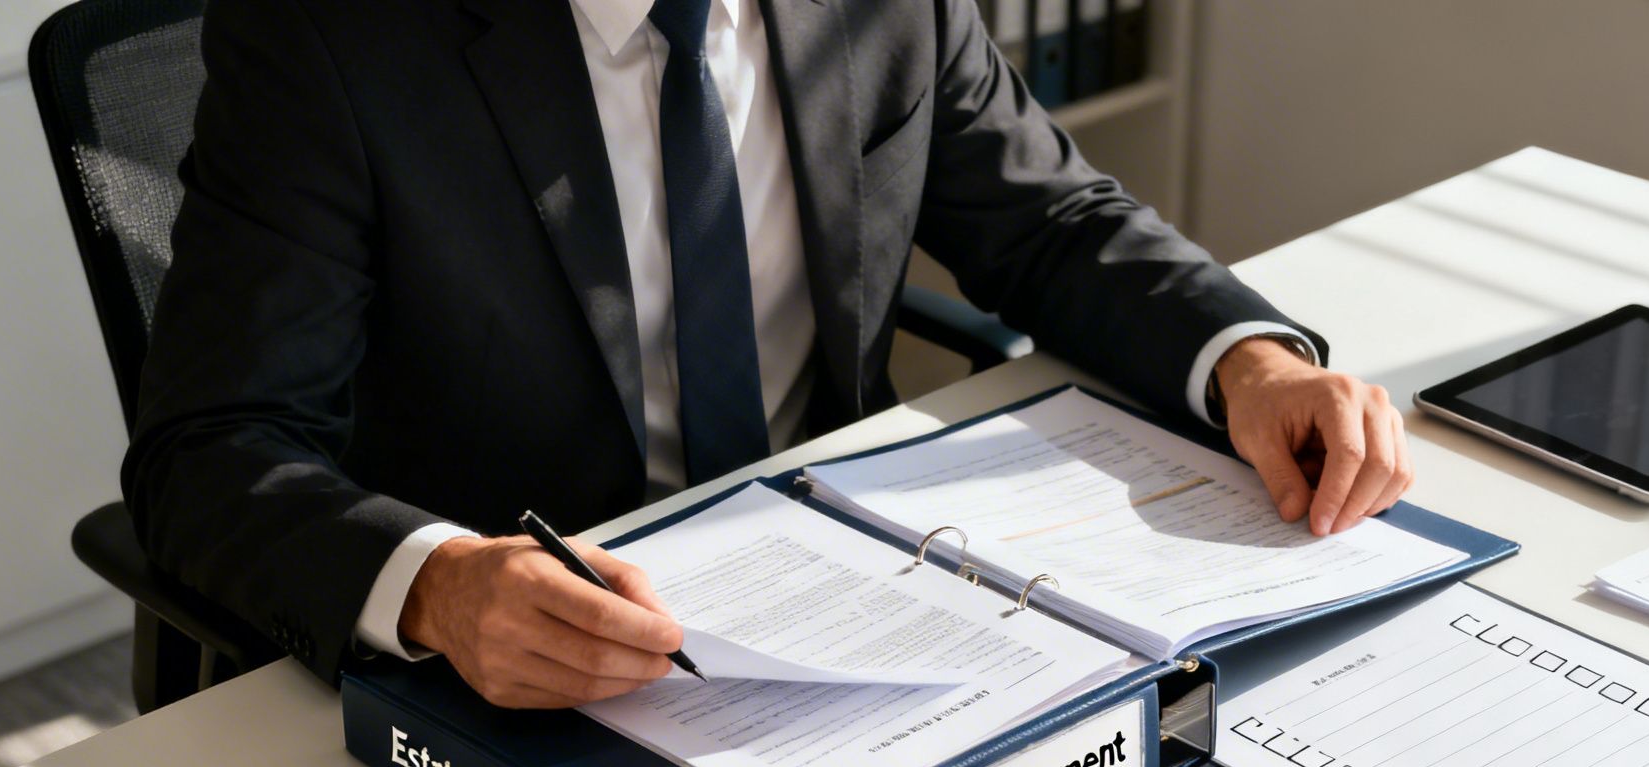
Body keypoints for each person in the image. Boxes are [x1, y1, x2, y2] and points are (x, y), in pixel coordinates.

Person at [127, 0, 1414, 710]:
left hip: (850, 595)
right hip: (530, 659)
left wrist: (1247, 360)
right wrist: (436, 587)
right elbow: (209, 451)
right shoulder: (322, 38)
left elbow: (1047, 220)